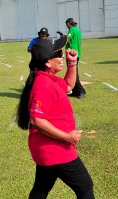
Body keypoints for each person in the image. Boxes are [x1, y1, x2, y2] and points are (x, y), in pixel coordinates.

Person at [16, 36, 94, 198]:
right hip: (55, 149)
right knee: (85, 187)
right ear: (47, 62)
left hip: (47, 148)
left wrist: (72, 64)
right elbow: (37, 120)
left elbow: (69, 86)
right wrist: (68, 137)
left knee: (41, 188)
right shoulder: (43, 85)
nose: (62, 56)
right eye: (58, 54)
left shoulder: (48, 78)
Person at [66, 18, 86, 99]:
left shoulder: (71, 29)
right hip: (77, 52)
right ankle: (75, 91)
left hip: (72, 53)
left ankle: (81, 91)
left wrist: (61, 41)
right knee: (73, 72)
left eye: (67, 24)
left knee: (74, 73)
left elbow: (67, 40)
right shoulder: (78, 30)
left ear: (68, 24)